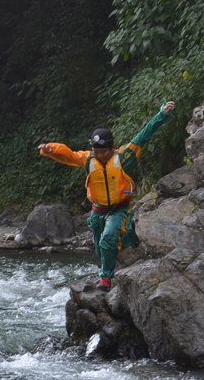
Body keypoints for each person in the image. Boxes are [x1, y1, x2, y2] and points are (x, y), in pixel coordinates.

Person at [38, 101, 174, 291]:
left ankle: (106, 278)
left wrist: (162, 115)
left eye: (104, 152)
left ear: (112, 148)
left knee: (108, 238)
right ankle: (128, 235)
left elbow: (144, 136)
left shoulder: (124, 157)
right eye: (96, 152)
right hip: (98, 211)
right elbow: (68, 155)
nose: (100, 155)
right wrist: (51, 149)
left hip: (120, 208)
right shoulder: (88, 159)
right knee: (100, 249)